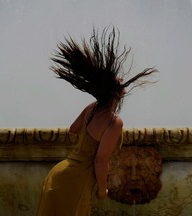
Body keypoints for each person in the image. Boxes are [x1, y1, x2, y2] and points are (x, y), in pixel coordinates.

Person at [36, 27, 157, 216]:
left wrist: (88, 139)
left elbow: (73, 129)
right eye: (117, 79)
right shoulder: (114, 122)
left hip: (59, 173)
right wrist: (102, 189)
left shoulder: (92, 107)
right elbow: (100, 160)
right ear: (115, 92)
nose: (121, 78)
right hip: (77, 180)